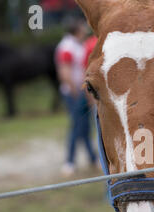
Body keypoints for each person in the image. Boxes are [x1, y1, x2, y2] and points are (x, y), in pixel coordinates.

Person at [55, 20, 97, 176]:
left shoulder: (77, 45)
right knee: (77, 127)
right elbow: (64, 73)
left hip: (81, 91)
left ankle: (92, 158)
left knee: (85, 127)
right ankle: (70, 161)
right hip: (75, 92)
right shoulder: (67, 47)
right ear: (77, 30)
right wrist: (76, 91)